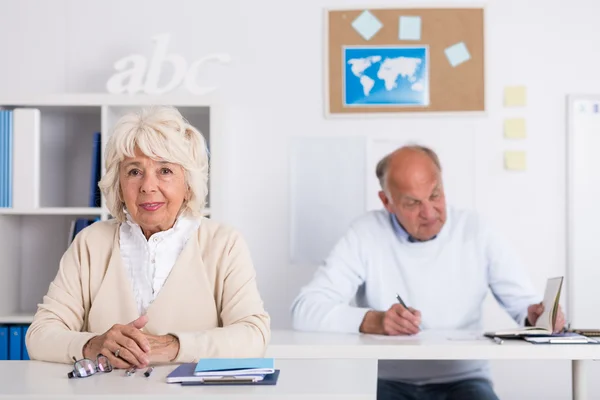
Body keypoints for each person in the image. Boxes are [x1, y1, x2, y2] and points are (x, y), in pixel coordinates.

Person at [291, 145, 564, 400]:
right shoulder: (365, 233)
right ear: (387, 201)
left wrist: (536, 316)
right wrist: (372, 320)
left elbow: (523, 306)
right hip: (385, 381)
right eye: (412, 203)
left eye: (435, 195)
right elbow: (305, 309)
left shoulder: (477, 230)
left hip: (464, 380)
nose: (429, 212)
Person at [26, 106, 270, 370]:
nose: (147, 186)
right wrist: (92, 345)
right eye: (134, 171)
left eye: (165, 170)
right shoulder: (90, 243)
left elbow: (253, 335)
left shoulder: (224, 243)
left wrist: (174, 346)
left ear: (188, 185)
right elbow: (39, 335)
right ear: (118, 186)